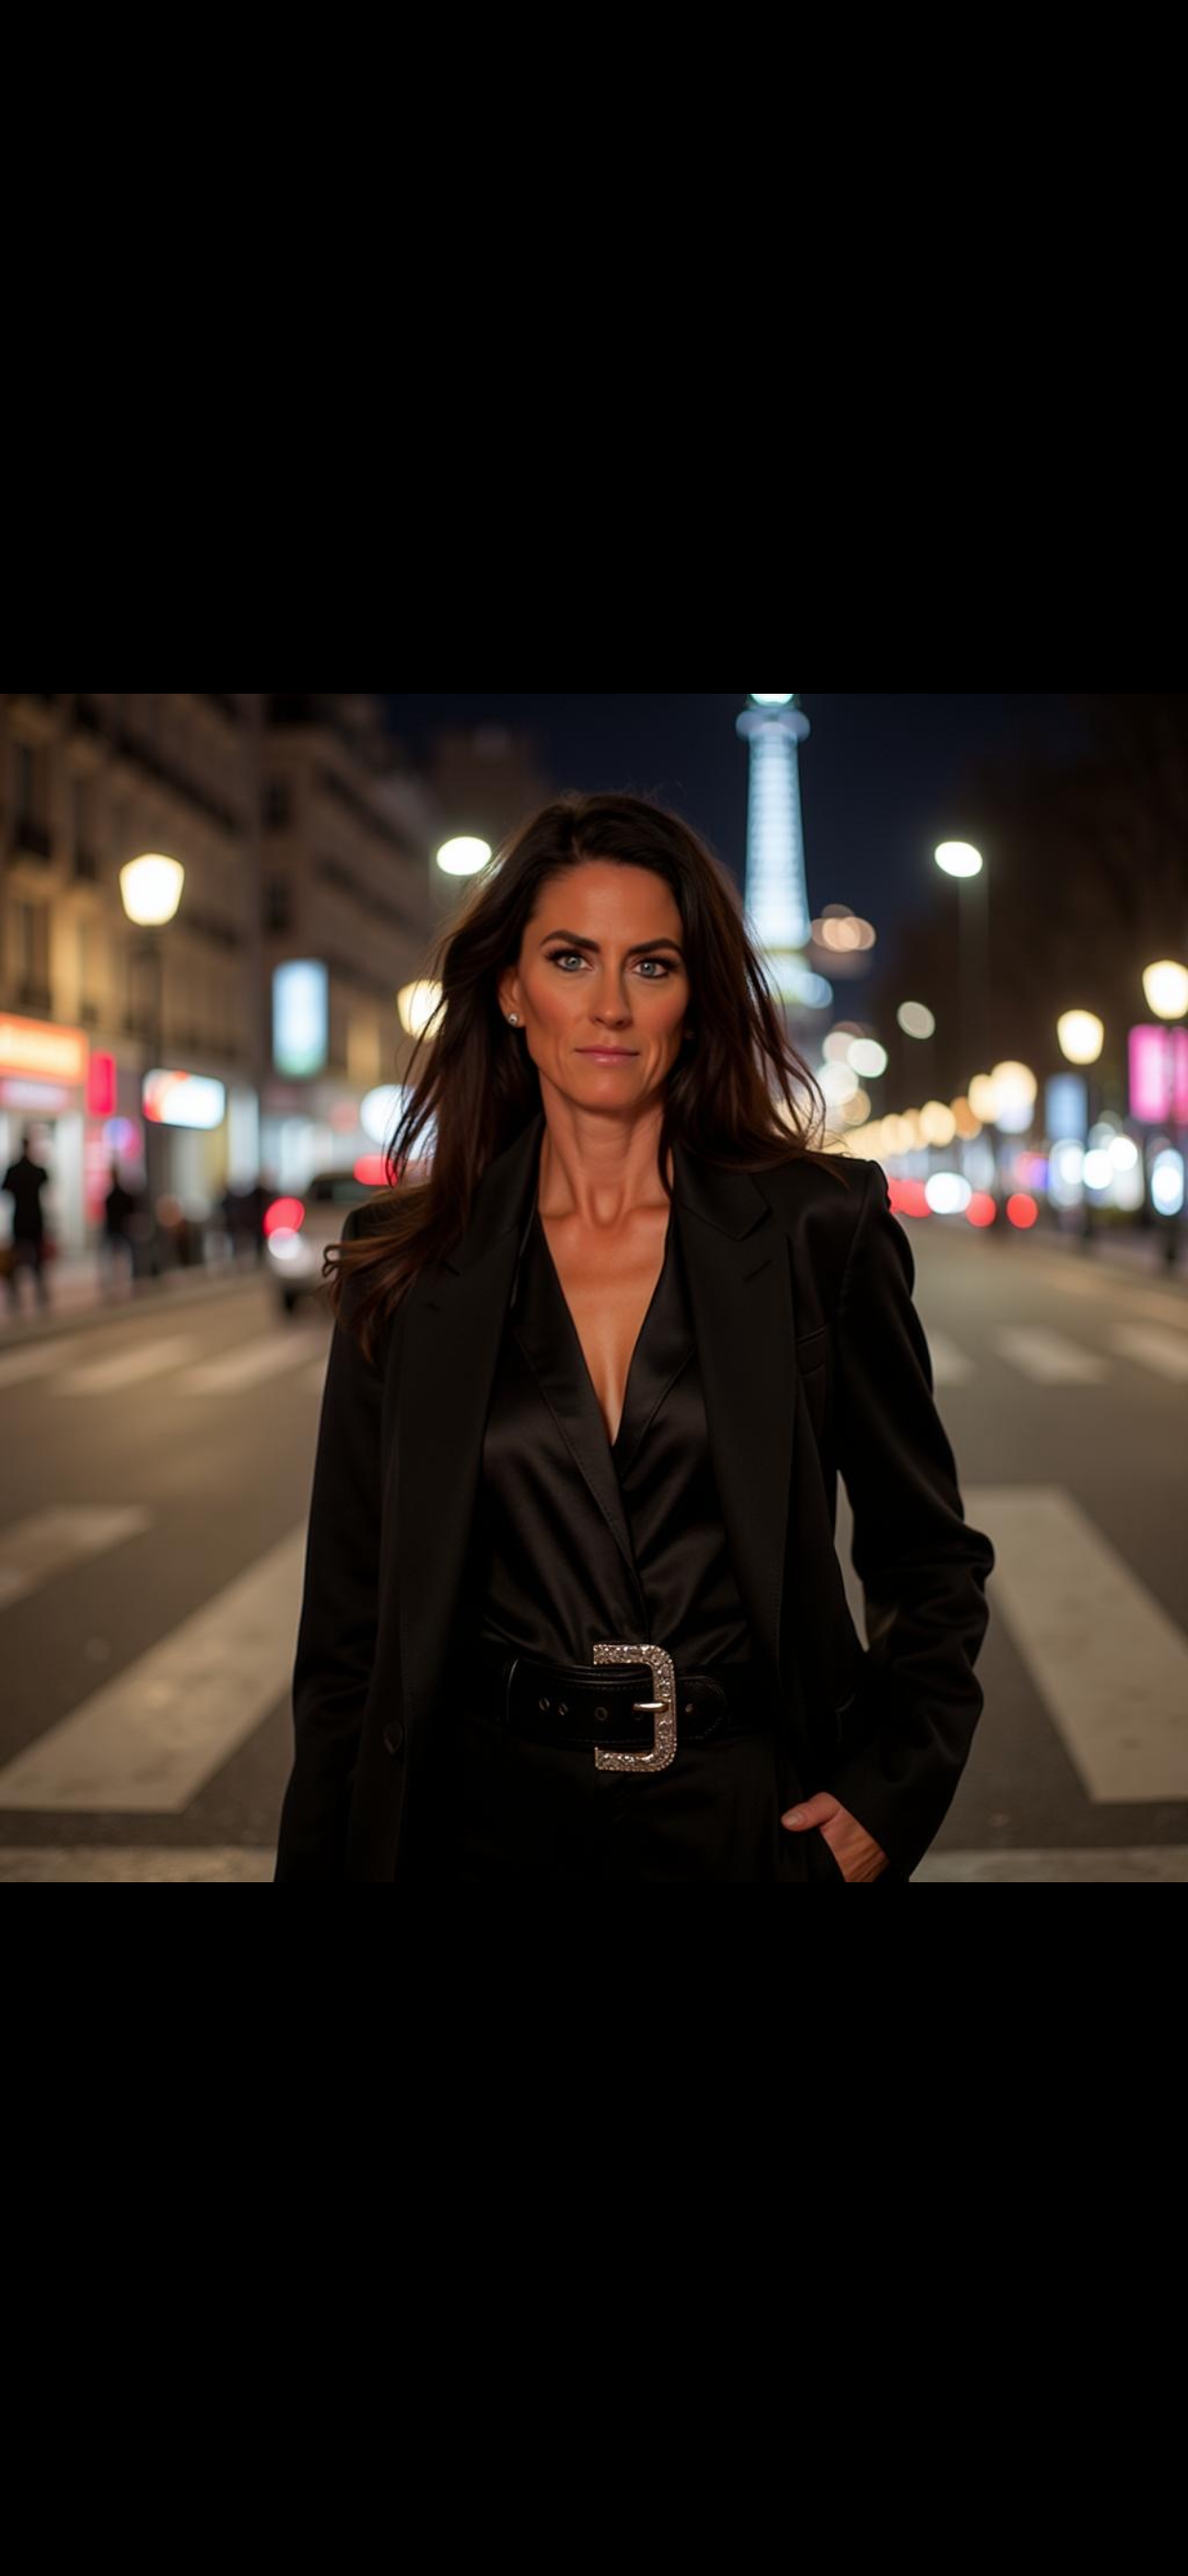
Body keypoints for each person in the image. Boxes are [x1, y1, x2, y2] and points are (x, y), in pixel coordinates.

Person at [274, 791, 996, 1884]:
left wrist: (889, 1796)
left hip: (751, 1821)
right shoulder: (407, 1265)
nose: (609, 1005)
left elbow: (927, 1556)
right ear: (511, 991)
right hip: (477, 1827)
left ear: (696, 999)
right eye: (572, 959)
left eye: (651, 966)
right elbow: (345, 1634)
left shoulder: (818, 1229)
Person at [2, 1130, 52, 1314]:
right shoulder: (36, 1170)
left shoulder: (13, 1171)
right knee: (37, 1260)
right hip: (34, 1219)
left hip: (20, 1219)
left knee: (18, 1259)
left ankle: (16, 1295)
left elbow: (5, 1190)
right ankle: (40, 1293)